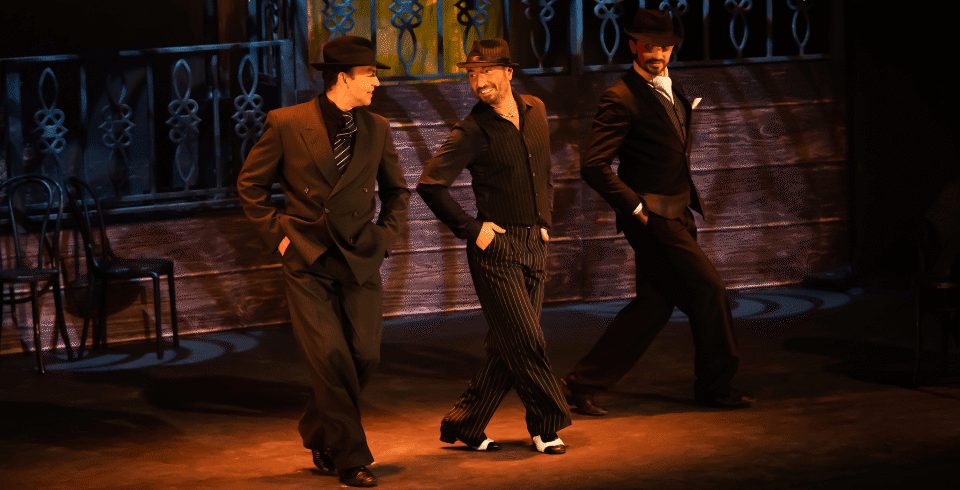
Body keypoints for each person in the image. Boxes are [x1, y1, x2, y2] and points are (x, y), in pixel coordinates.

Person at [561, 9, 754, 416]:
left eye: (664, 47)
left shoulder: (671, 87)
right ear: (633, 45)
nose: (658, 54)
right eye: (650, 46)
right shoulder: (621, 96)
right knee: (709, 291)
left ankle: (580, 384)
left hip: (678, 210)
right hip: (653, 217)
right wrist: (635, 206)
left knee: (654, 303)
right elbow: (593, 165)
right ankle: (716, 386)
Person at [236, 36, 408, 487]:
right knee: (331, 358)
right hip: (308, 258)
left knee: (364, 356)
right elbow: (250, 187)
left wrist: (384, 234)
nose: (376, 83)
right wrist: (281, 239)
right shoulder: (288, 123)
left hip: (360, 258)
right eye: (370, 74)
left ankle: (317, 429)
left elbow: (396, 192)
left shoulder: (377, 129)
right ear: (343, 78)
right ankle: (351, 457)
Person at [417, 38, 572, 455]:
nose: (478, 81)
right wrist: (471, 228)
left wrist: (544, 221)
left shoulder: (535, 109)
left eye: (486, 71)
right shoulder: (471, 130)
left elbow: (542, 170)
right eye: (471, 73)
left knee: (507, 343)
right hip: (496, 249)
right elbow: (430, 185)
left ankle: (466, 423)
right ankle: (547, 423)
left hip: (533, 243)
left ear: (508, 72)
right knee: (526, 340)